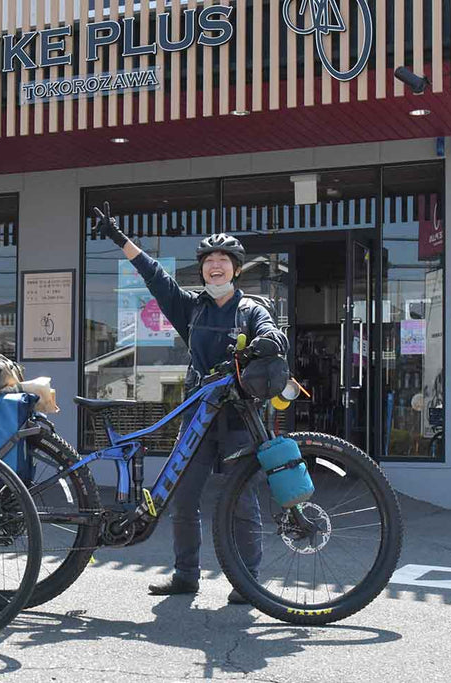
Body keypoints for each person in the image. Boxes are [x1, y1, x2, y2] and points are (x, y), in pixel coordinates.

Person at [92, 202, 289, 603]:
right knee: (183, 498)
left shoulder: (252, 309)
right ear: (202, 268)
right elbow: (154, 275)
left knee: (243, 501)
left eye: (223, 260)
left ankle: (247, 579)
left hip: (238, 418)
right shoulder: (192, 307)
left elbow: (272, 332)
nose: (215, 266)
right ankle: (185, 574)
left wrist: (271, 341)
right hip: (198, 416)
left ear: (236, 267)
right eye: (209, 260)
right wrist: (119, 239)